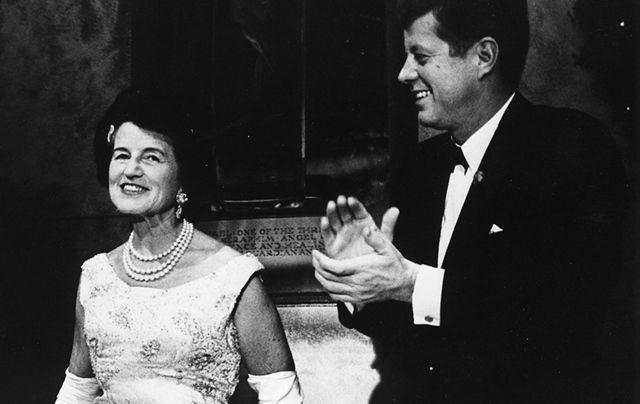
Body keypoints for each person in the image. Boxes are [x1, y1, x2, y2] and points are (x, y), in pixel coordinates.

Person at [312, 0, 628, 402]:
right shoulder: (422, 169)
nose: (404, 73)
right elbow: (407, 315)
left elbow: (559, 311)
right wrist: (359, 280)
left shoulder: (572, 149)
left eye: (420, 56)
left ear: (483, 56)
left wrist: (410, 283)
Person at [55, 88, 303, 404]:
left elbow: (281, 394)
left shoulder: (234, 277)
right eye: (122, 155)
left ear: (183, 175)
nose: (131, 170)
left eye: (151, 157)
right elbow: (77, 390)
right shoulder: (95, 276)